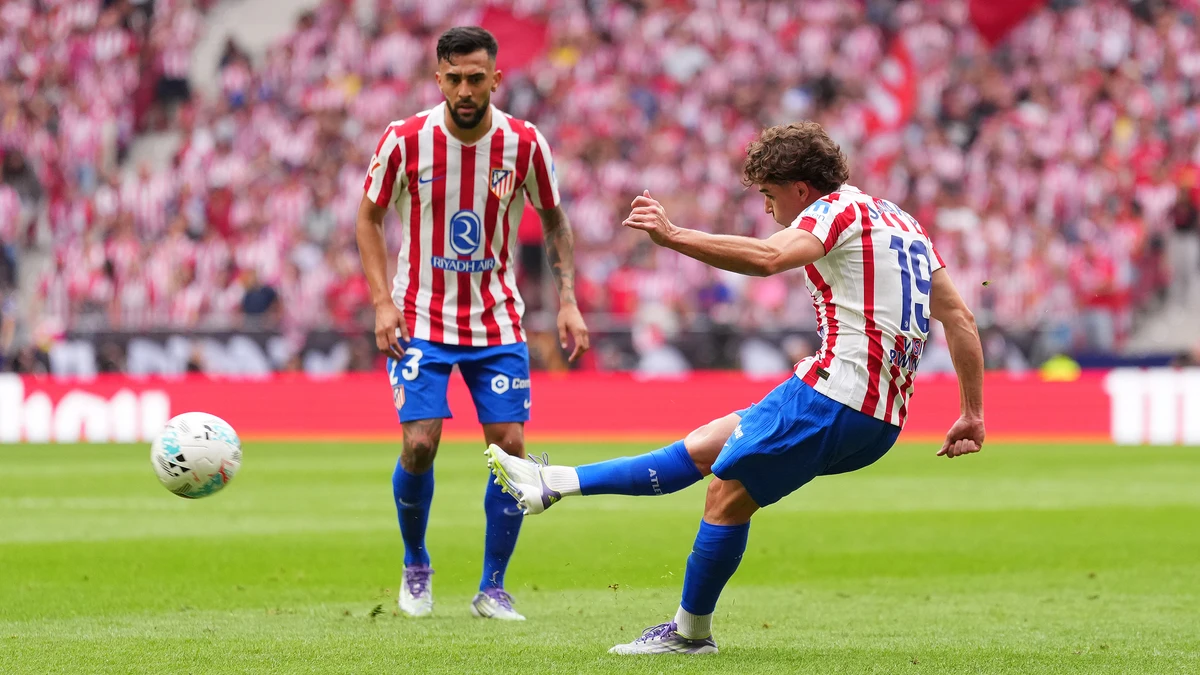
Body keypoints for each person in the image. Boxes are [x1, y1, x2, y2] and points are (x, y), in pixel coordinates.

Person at [487, 122, 985, 653]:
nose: (770, 210)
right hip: (879, 417)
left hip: (836, 395)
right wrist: (971, 412)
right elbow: (960, 319)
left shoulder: (833, 209)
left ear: (801, 189)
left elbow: (769, 259)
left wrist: (673, 235)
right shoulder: (904, 222)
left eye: (771, 196)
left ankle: (689, 634)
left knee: (725, 493)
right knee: (707, 445)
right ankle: (551, 484)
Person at [355, 26, 589, 621]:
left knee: (510, 449)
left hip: (497, 319)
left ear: (496, 78)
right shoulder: (405, 140)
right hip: (421, 316)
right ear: (438, 78)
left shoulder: (524, 143)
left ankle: (493, 587)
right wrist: (383, 303)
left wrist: (566, 299)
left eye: (476, 78)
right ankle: (415, 562)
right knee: (419, 442)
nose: (465, 89)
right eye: (454, 78)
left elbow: (556, 221)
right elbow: (368, 219)